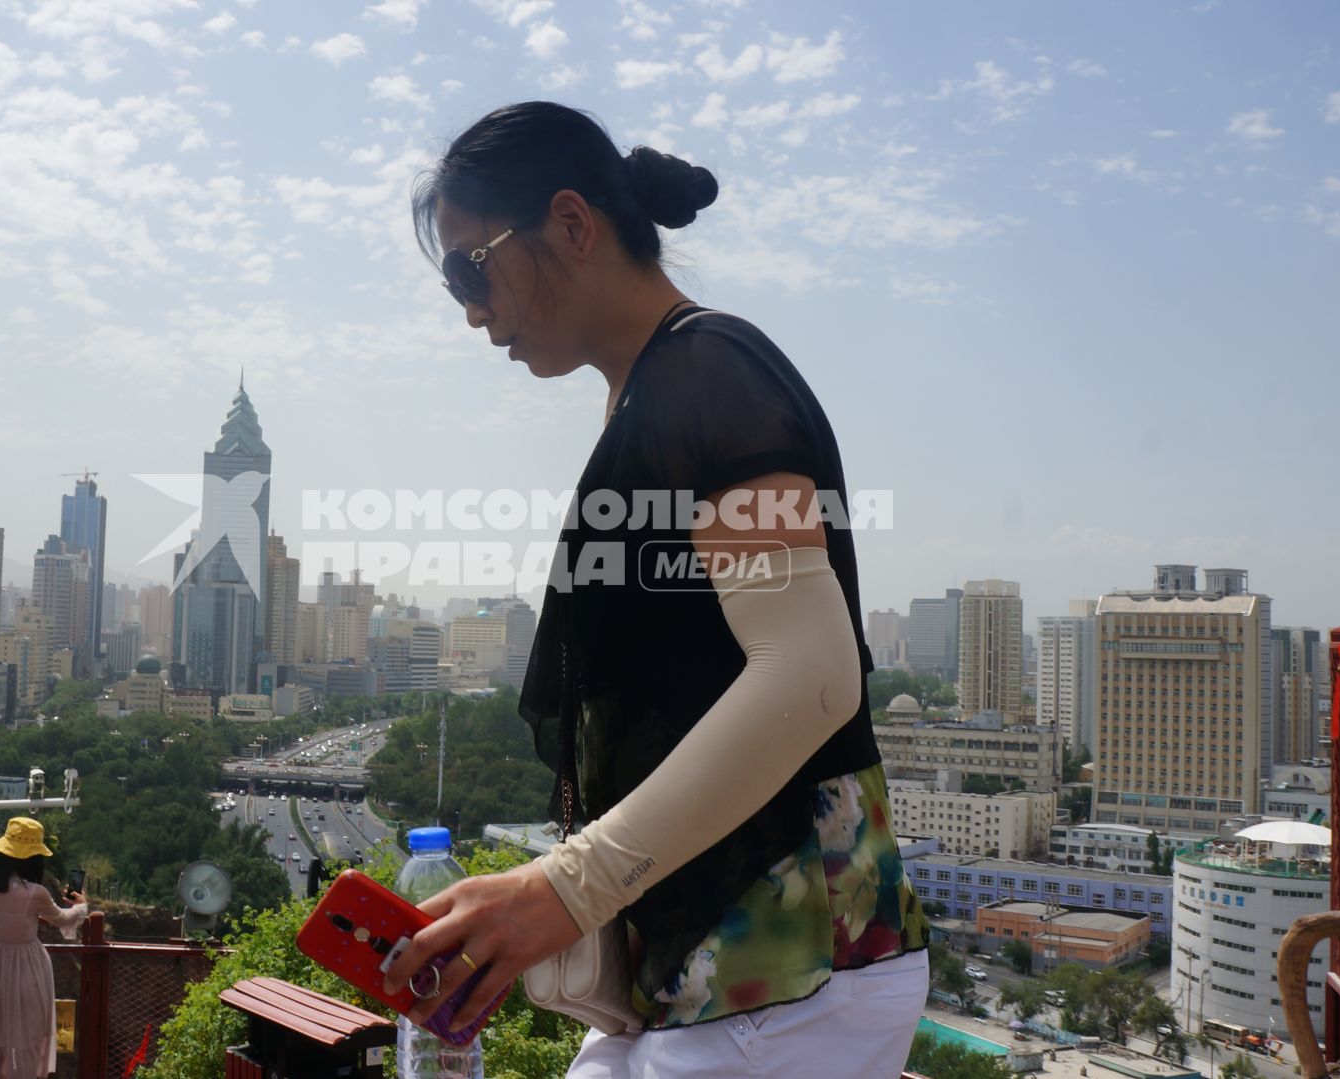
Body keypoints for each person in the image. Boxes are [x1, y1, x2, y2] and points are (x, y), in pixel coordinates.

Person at [381, 102, 931, 1077]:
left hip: (789, 968)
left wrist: (565, 885)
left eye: (475, 267)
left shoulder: (706, 375)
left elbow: (810, 673)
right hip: (712, 975)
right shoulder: (656, 390)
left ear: (573, 225)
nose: (470, 308)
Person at [0, 817, 90, 1079]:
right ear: (32, 858)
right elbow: (63, 919)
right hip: (28, 966)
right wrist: (82, 905)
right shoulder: (35, 893)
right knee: (28, 1037)